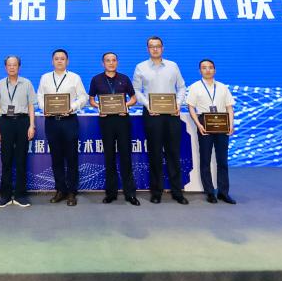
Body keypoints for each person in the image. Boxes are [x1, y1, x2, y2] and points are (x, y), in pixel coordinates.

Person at [132, 36, 188, 204]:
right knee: (155, 153)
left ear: (162, 48)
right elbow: (136, 90)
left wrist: (178, 103)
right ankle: (156, 192)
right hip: (152, 115)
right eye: (151, 46)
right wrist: (148, 105)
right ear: (147, 49)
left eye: (158, 46)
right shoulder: (141, 67)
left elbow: (182, 87)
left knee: (173, 153)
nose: (155, 49)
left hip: (172, 115)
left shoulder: (173, 66)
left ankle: (177, 192)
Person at [36, 49, 88, 207]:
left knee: (71, 158)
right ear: (52, 61)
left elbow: (83, 97)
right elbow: (40, 96)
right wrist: (44, 107)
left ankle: (72, 191)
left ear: (67, 61)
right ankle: (60, 190)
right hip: (52, 122)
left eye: (62, 58)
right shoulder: (45, 77)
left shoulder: (74, 77)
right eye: (56, 58)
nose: (59, 61)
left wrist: (72, 107)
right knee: (56, 158)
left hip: (69, 121)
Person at [88, 52, 139, 206]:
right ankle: (111, 193)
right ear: (103, 63)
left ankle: (130, 194)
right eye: (108, 60)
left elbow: (134, 98)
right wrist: (100, 107)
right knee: (109, 157)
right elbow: (91, 100)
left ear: (117, 62)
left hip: (122, 120)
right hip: (106, 121)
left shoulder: (124, 78)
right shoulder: (96, 79)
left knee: (126, 157)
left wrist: (125, 106)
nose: (111, 63)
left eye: (114, 60)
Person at [186, 58, 236, 204]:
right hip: (204, 123)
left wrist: (231, 124)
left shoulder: (223, 87)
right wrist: (198, 124)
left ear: (214, 70)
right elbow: (191, 107)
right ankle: (209, 192)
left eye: (210, 67)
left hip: (222, 123)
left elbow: (229, 107)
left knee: (222, 160)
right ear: (200, 70)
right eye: (204, 67)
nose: (207, 70)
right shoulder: (195, 87)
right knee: (205, 159)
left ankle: (223, 192)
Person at [0, 55, 37, 208]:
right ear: (5, 67)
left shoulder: (27, 83)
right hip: (5, 123)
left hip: (23, 122)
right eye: (9, 65)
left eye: (14, 65)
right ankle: (5, 196)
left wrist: (31, 125)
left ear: (19, 67)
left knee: (21, 160)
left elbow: (31, 106)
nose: (12, 67)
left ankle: (20, 195)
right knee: (6, 160)